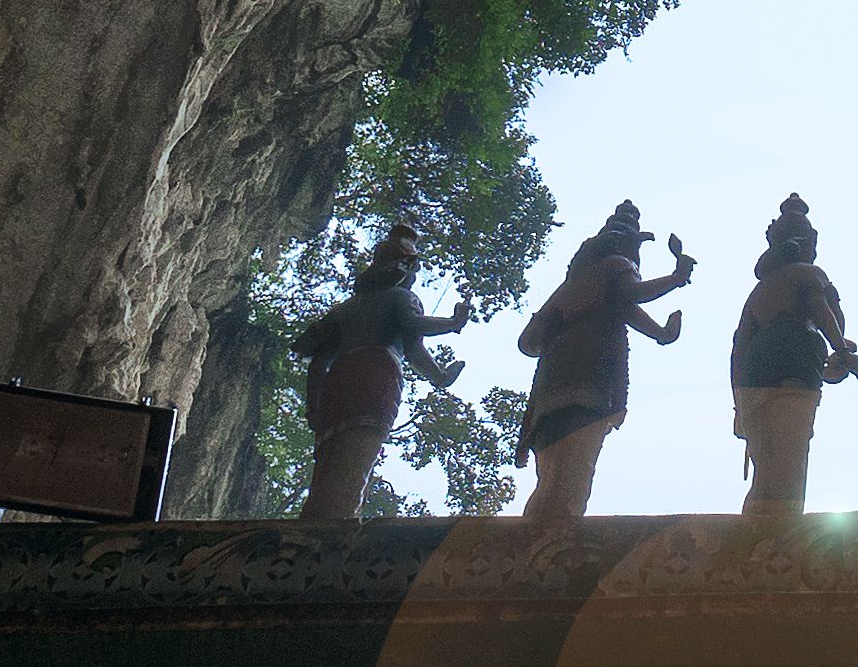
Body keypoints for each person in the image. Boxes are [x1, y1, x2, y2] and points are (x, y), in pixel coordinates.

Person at [511, 203, 690, 521]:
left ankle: (535, 534)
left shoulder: (568, 289)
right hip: (589, 380)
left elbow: (528, 342)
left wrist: (663, 332)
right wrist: (676, 278)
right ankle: (553, 539)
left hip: (550, 388)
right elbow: (636, 294)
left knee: (550, 475)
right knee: (574, 472)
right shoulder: (617, 266)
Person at [724, 197, 858, 524]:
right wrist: (842, 351)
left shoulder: (759, 292)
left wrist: (739, 405)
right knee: (788, 458)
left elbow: (738, 349)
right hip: (791, 375)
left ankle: (760, 522)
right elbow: (821, 310)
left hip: (756, 383)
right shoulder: (807, 274)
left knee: (767, 462)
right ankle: (777, 531)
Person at [291, 231, 470, 522]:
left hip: (337, 385)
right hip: (375, 376)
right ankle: (333, 532)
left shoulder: (346, 308)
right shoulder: (401, 297)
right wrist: (453, 324)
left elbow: (319, 360)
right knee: (355, 459)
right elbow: (413, 334)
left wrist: (313, 404)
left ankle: (314, 524)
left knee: (328, 462)